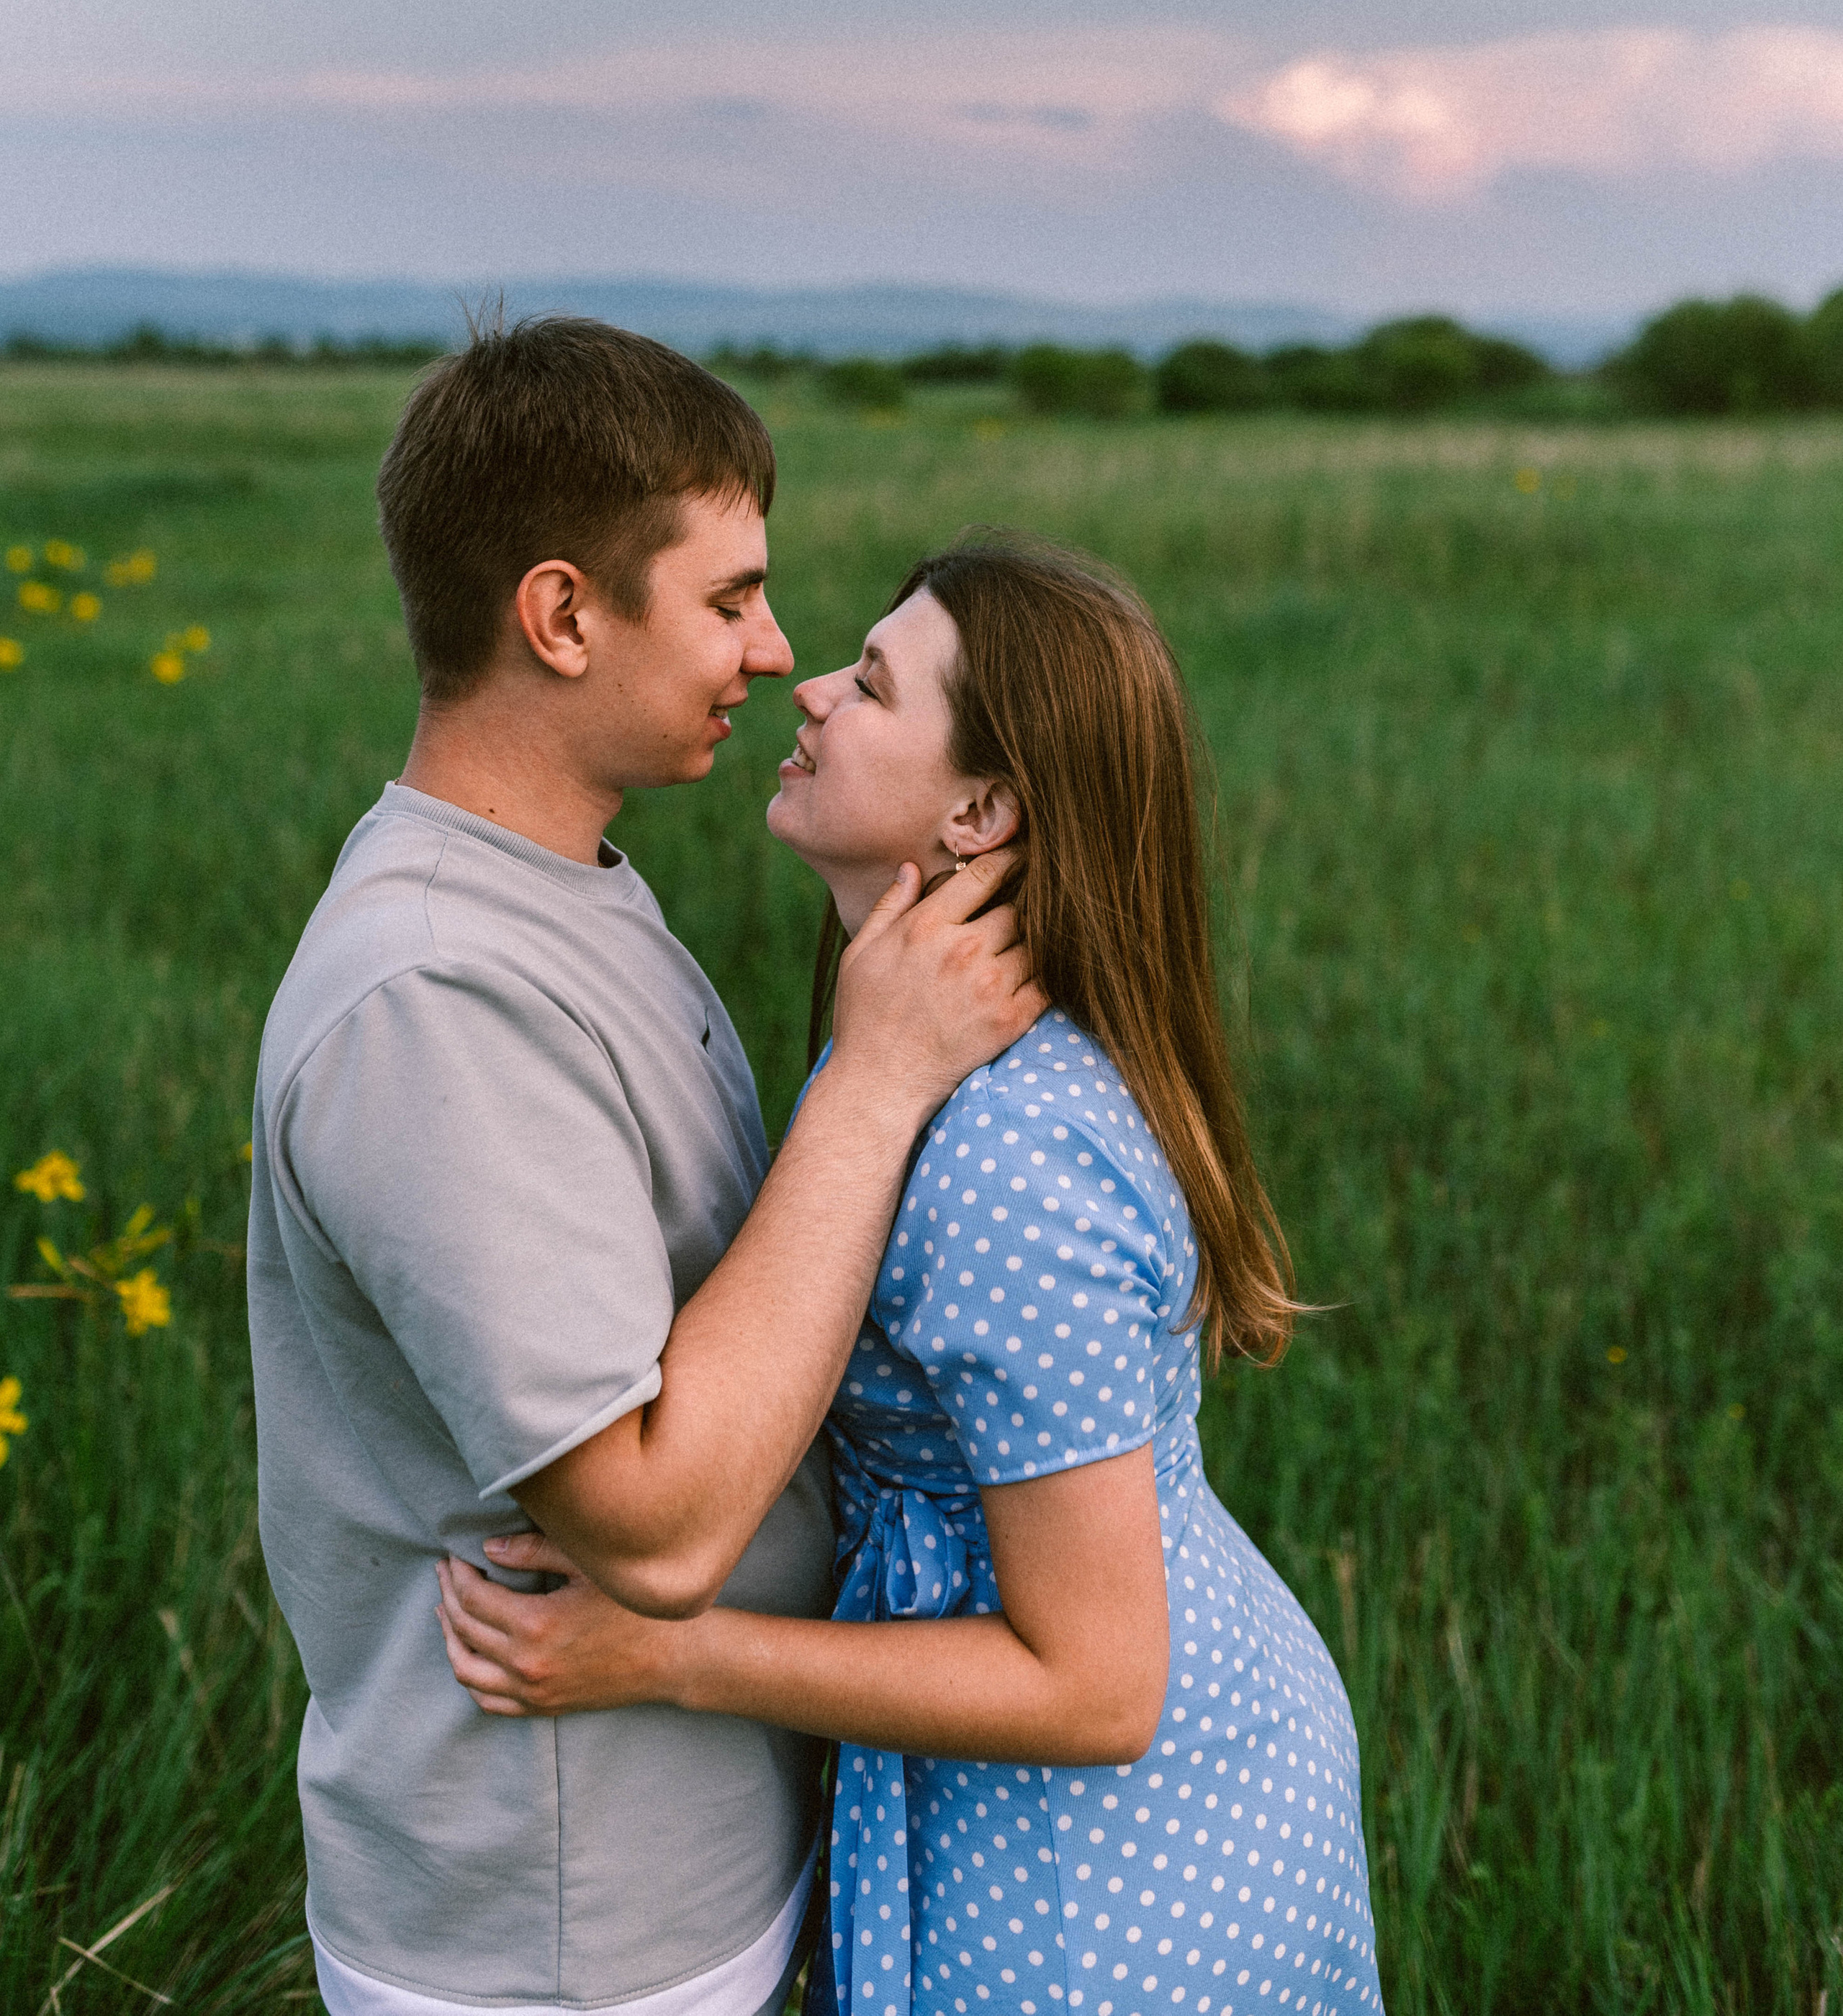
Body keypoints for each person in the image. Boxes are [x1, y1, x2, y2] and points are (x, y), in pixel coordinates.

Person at [436, 535, 1384, 2016]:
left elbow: (1095, 1683)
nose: (807, 686)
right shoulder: (922, 1043)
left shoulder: (1008, 1159)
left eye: (871, 683)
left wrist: (665, 1652)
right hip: (1097, 1818)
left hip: (1112, 1890)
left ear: (981, 809)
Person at [248, 321, 1042, 2016]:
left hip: (675, 1857)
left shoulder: (565, 883)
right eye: (728, 597)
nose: (772, 653)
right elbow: (655, 1528)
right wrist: (881, 1074)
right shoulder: (434, 996)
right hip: (561, 1929)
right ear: (558, 614)